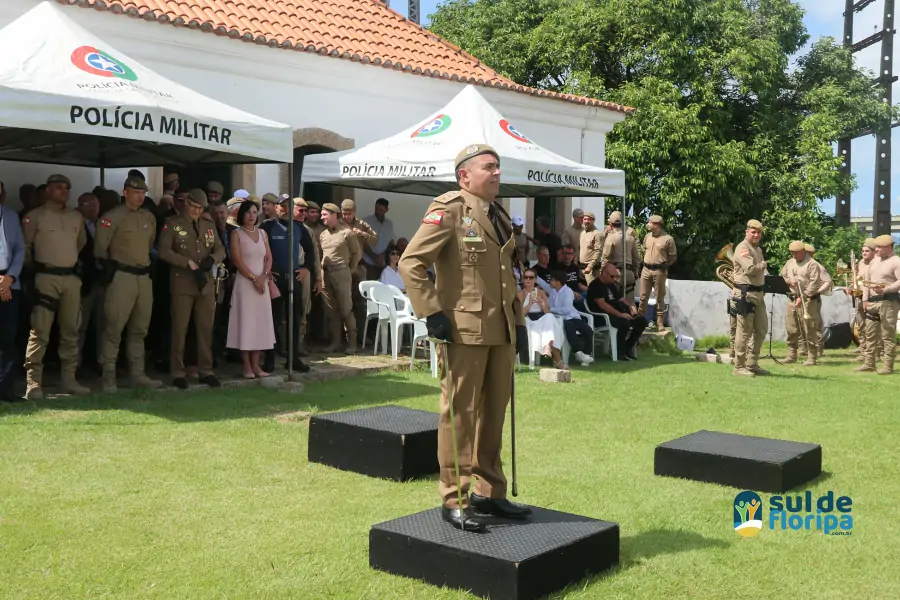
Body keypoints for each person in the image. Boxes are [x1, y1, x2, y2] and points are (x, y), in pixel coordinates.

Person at [399, 143, 531, 532]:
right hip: (464, 329)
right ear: (464, 175)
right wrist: (432, 312)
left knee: (494, 413)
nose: (496, 173)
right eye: (488, 167)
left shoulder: (498, 214)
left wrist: (518, 323)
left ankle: (489, 493)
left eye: (498, 167)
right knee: (460, 414)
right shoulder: (451, 209)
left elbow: (507, 275)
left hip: (501, 328)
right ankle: (453, 498)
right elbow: (411, 262)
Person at [22, 174, 90, 400]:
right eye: (58, 187)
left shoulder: (76, 217)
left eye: (67, 188)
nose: (64, 191)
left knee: (71, 330)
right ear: (47, 190)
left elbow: (80, 245)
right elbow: (26, 250)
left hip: (70, 279)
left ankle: (69, 380)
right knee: (40, 331)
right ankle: (34, 382)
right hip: (45, 277)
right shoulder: (35, 217)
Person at [94, 176, 162, 393]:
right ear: (125, 192)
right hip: (121, 275)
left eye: (143, 192)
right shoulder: (111, 217)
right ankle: (108, 377)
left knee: (139, 329)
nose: (140, 196)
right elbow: (100, 250)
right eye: (135, 192)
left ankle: (138, 374)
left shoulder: (149, 217)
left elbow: (149, 245)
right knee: (114, 328)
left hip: (143, 277)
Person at [158, 189, 225, 389]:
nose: (196, 211)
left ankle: (206, 370)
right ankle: (178, 371)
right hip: (183, 282)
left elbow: (220, 248)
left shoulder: (209, 225)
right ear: (186, 204)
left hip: (205, 283)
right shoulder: (172, 224)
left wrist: (212, 259)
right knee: (180, 328)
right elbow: (163, 251)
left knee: (205, 328)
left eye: (200, 208)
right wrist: (186, 262)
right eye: (193, 206)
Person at [227, 201, 277, 378]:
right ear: (242, 214)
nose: (252, 215)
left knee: (260, 323)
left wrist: (263, 276)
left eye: (255, 212)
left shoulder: (263, 233)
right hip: (245, 284)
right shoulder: (236, 234)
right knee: (246, 323)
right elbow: (237, 260)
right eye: (248, 212)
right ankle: (246, 366)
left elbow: (269, 258)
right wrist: (254, 278)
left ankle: (256, 365)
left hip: (261, 284)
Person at [319, 203, 362, 354]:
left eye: (324, 214)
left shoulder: (347, 233)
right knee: (331, 311)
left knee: (346, 309)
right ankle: (335, 342)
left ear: (334, 215)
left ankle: (352, 344)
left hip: (341, 273)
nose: (321, 217)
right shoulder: (323, 234)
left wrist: (349, 270)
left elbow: (357, 254)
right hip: (326, 274)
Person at [856, 234, 900, 374]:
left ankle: (888, 366)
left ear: (889, 247)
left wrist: (886, 289)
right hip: (872, 303)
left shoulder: (896, 261)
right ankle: (869, 363)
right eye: (877, 247)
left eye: (880, 247)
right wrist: (865, 300)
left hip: (889, 301)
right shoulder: (874, 262)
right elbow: (866, 281)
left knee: (887, 335)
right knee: (870, 334)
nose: (877, 249)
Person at [731, 219, 769, 377]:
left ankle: (751, 363)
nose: (756, 235)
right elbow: (750, 269)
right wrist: (763, 265)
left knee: (761, 329)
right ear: (747, 232)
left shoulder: (758, 249)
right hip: (745, 293)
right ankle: (739, 366)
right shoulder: (743, 247)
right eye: (753, 232)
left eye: (758, 232)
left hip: (758, 293)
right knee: (744, 331)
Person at [587, 262, 648, 360]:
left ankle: (626, 348)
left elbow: (620, 299)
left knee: (641, 321)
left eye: (616, 276)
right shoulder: (595, 286)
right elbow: (603, 305)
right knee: (624, 323)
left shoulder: (611, 284)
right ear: (604, 274)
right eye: (612, 276)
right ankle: (619, 352)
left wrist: (631, 308)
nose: (614, 279)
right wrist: (620, 314)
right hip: (602, 317)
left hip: (617, 314)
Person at [534, 269, 595, 365]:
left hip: (572, 317)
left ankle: (586, 355)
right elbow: (541, 282)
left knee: (588, 331)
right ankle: (578, 352)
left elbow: (566, 310)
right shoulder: (552, 289)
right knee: (569, 327)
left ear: (558, 282)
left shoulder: (568, 292)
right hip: (560, 319)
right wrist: (527, 271)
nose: (550, 282)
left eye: (552, 280)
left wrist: (549, 309)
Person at [0, 192, 25, 402]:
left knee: (8, 338)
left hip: (10, 282)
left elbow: (19, 249)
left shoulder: (10, 216)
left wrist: (8, 278)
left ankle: (5, 389)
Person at [518, 268, 567, 369]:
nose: (528, 279)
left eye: (531, 277)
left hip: (541, 317)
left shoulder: (540, 292)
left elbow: (547, 312)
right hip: (528, 320)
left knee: (549, 317)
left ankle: (548, 346)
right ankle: (557, 359)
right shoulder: (520, 294)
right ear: (523, 279)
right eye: (526, 277)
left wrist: (542, 304)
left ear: (535, 279)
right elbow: (520, 314)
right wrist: (530, 303)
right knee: (551, 324)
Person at [639, 215, 677, 331]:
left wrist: (664, 266)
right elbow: (644, 249)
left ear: (656, 225)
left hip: (659, 271)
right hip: (646, 269)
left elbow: (673, 256)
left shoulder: (668, 239)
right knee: (643, 296)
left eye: (650, 223)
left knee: (659, 297)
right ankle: (640, 321)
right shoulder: (647, 237)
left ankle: (659, 323)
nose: (648, 225)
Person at [843, 239, 878, 361]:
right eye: (863, 251)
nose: (864, 253)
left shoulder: (877, 263)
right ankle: (864, 351)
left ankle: (876, 353)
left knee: (873, 328)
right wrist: (851, 288)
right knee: (861, 326)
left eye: (867, 251)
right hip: (859, 298)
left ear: (874, 252)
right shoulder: (861, 263)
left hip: (872, 299)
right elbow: (856, 279)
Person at [362, 198, 395, 280]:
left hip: (383, 263)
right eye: (376, 209)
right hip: (369, 263)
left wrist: (384, 256)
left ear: (386, 210)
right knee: (370, 288)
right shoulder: (366, 221)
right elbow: (361, 241)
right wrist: (374, 257)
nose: (377, 212)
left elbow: (391, 242)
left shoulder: (389, 224)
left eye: (380, 210)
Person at [579, 211, 603, 285]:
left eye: (589, 219)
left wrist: (590, 266)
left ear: (593, 221)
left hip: (591, 270)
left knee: (593, 291)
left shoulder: (597, 234)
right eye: (585, 219)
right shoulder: (582, 233)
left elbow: (598, 251)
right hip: (581, 269)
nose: (587, 221)